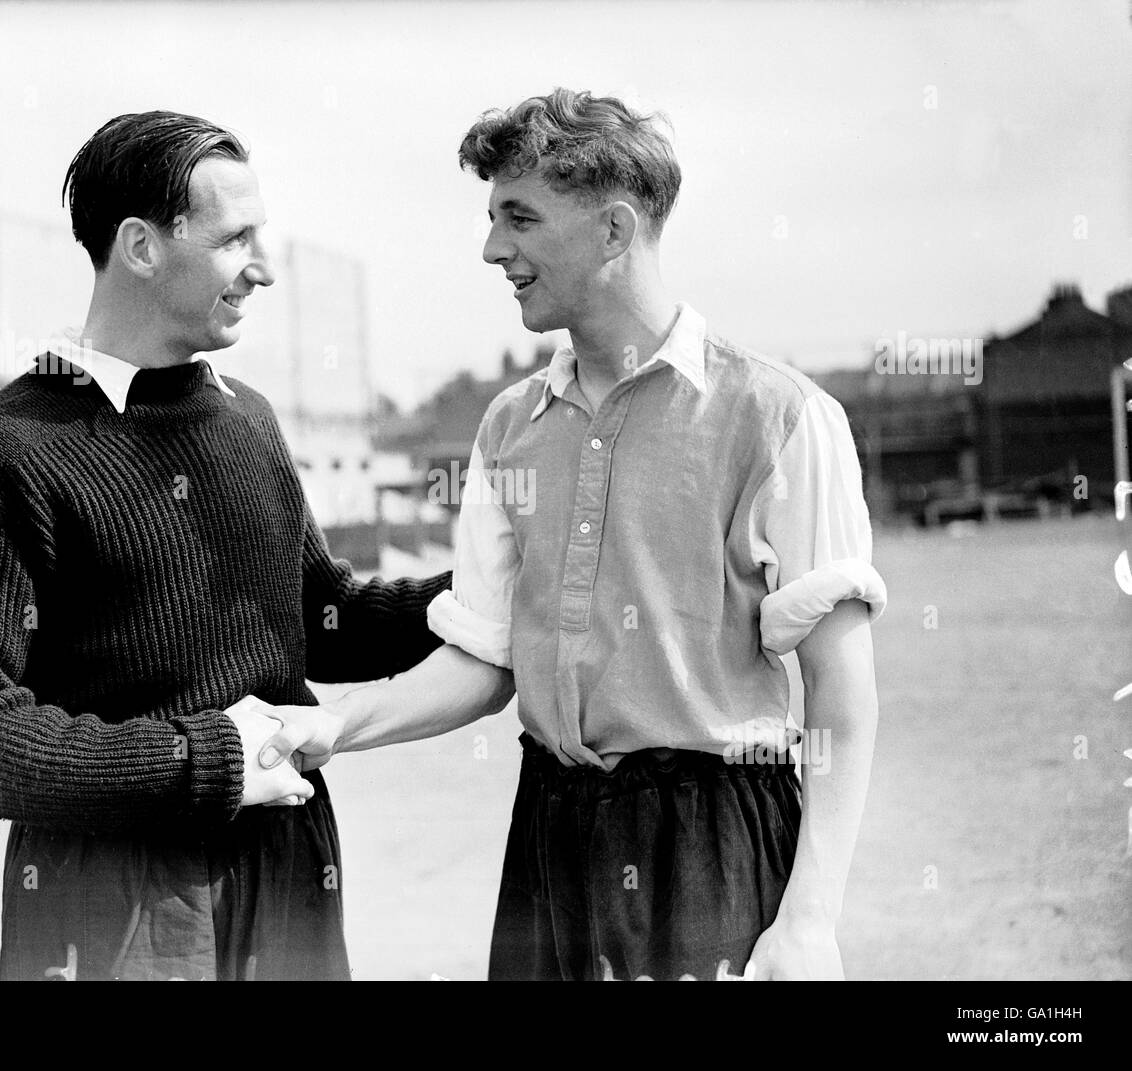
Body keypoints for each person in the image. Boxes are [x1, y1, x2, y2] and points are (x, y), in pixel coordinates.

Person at [259, 88, 886, 981]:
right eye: (490, 218)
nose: (492, 249)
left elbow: (841, 694)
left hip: (709, 843)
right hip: (549, 833)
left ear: (614, 230)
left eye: (520, 218)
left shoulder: (781, 418)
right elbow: (484, 660)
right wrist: (334, 722)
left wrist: (811, 921)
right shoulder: (508, 426)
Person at [0, 110, 450, 981]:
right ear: (142, 247)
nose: (262, 268)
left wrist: (477, 597)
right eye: (235, 240)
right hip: (113, 894)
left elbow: (319, 618)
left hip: (290, 862)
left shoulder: (247, 418)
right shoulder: (2, 452)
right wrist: (206, 762)